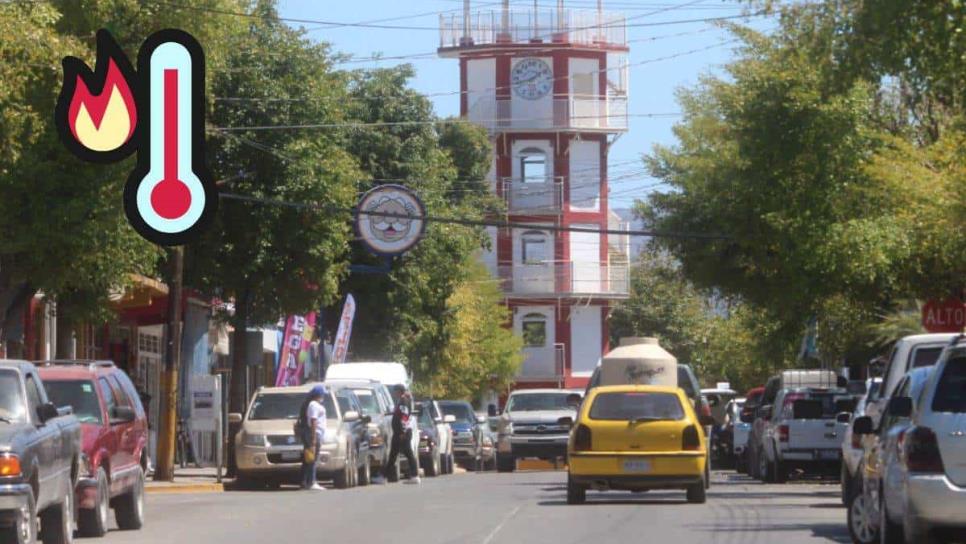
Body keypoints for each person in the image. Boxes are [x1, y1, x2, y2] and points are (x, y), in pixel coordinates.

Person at [383, 386, 420, 484]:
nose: (395, 393)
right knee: (393, 455)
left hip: (402, 433)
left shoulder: (404, 401)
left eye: (395, 391)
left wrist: (402, 431)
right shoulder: (402, 401)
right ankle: (384, 476)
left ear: (399, 391)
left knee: (408, 453)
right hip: (399, 433)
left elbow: (404, 417)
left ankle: (415, 475)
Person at [298, 384, 327, 491]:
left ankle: (304, 481)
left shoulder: (312, 404)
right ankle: (312, 481)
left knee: (308, 458)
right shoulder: (314, 405)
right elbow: (313, 421)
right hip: (313, 433)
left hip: (314, 433)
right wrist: (314, 439)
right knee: (313, 458)